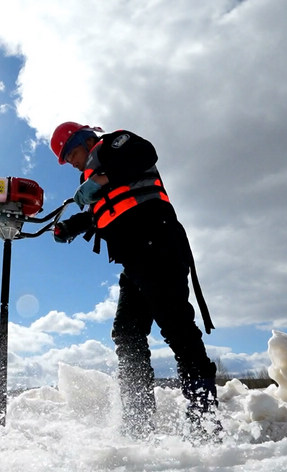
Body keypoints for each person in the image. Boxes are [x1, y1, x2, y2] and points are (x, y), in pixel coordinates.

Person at [50, 122, 221, 441]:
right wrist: (70, 226)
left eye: (70, 153)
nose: (70, 162)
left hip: (159, 243)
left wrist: (102, 178)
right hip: (134, 258)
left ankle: (204, 419)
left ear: (85, 140)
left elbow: (145, 154)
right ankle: (138, 419)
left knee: (176, 327)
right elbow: (107, 209)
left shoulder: (116, 144)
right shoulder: (92, 176)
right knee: (127, 332)